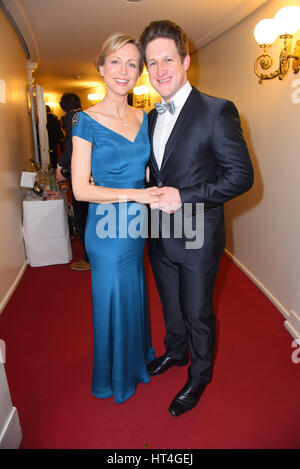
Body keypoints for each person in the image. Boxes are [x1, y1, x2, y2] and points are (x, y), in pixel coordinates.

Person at [140, 20, 254, 417]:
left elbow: (241, 177)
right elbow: (161, 168)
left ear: (186, 60)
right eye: (152, 63)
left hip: (198, 236)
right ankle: (176, 352)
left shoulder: (217, 111)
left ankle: (200, 375)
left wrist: (183, 196)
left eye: (167, 59)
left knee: (197, 312)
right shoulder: (151, 117)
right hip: (159, 234)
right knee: (170, 305)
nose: (160, 70)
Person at [71, 33, 159, 404]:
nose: (123, 70)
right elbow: (81, 190)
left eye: (132, 63)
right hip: (106, 231)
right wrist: (136, 193)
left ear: (139, 72)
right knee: (112, 298)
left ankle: (137, 360)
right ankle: (114, 377)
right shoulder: (85, 121)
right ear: (101, 67)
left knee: (135, 292)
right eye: (115, 62)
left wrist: (153, 190)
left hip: (136, 225)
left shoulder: (144, 117)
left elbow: (148, 169)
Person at [56, 93, 90, 271]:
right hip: (93, 173)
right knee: (91, 215)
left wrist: (60, 165)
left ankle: (88, 258)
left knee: (81, 217)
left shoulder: (71, 118)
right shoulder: (87, 115)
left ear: (63, 107)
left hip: (80, 174)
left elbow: (72, 145)